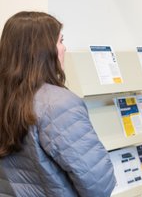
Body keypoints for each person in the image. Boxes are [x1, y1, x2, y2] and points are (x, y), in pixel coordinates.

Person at [0, 11, 116, 197]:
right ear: (43, 50)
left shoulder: (6, 98)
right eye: (60, 41)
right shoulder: (60, 104)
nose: (64, 48)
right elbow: (98, 184)